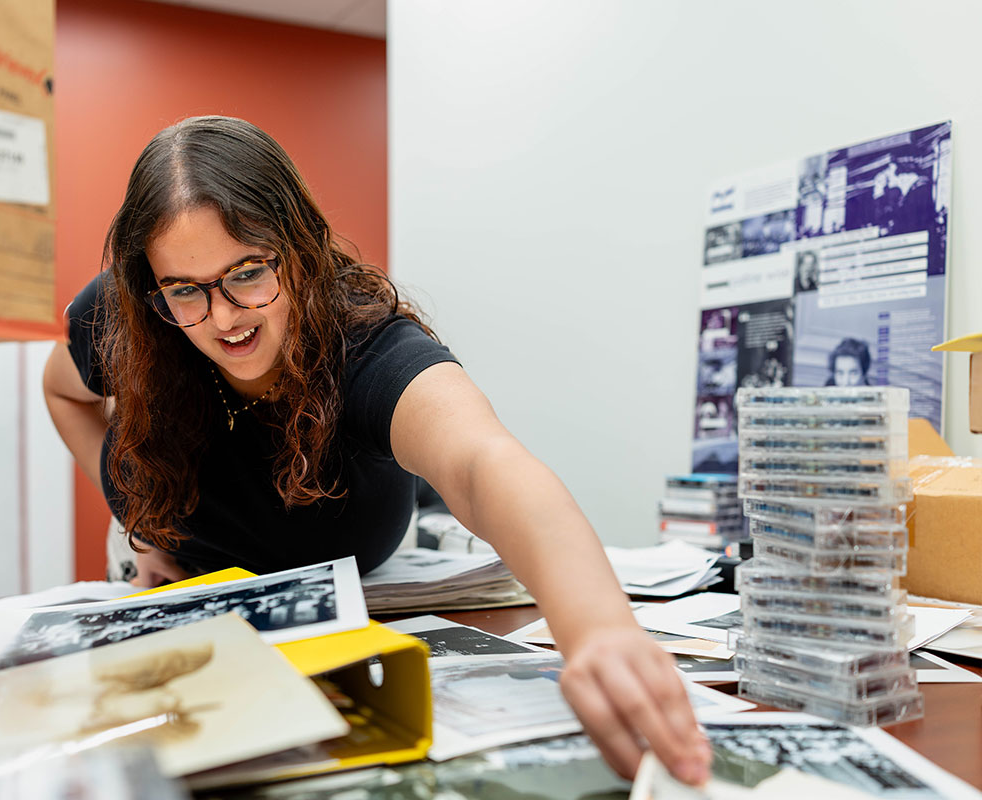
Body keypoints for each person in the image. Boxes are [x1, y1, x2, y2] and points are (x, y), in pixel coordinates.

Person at [43, 116, 711, 785]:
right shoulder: (128, 317)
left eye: (247, 272)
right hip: (187, 588)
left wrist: (598, 628)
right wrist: (138, 516)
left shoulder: (362, 337)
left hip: (351, 598)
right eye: (185, 288)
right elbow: (63, 392)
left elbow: (482, 464)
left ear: (298, 246)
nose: (223, 317)